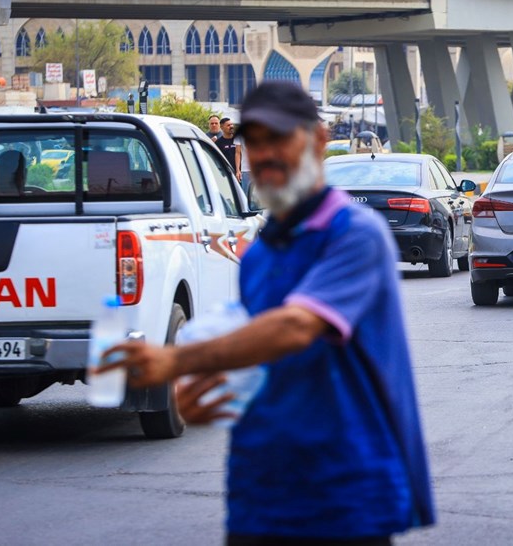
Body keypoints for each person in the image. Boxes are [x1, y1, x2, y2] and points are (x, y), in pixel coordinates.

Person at [104, 81, 435, 545]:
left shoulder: (356, 235)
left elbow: (299, 327)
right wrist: (205, 394)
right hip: (259, 498)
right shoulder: (260, 255)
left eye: (280, 139)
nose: (265, 154)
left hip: (345, 495)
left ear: (318, 140)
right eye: (254, 142)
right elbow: (262, 357)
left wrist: (177, 361)